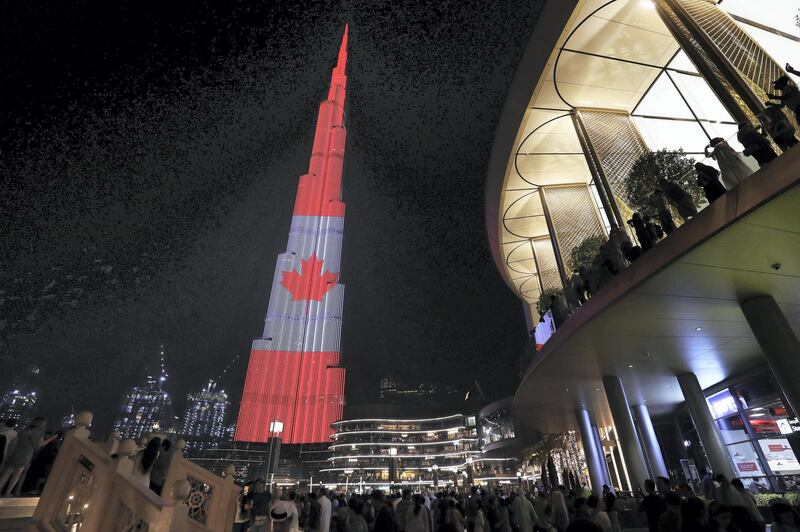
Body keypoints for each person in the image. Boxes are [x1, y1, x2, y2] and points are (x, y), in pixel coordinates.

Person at [0, 417, 56, 496]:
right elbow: (40, 445)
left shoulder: (26, 430)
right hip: (26, 454)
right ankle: (8, 492)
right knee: (17, 474)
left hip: (16, 452)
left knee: (7, 472)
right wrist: (51, 439)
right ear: (42, 424)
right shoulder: (39, 432)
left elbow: (16, 441)